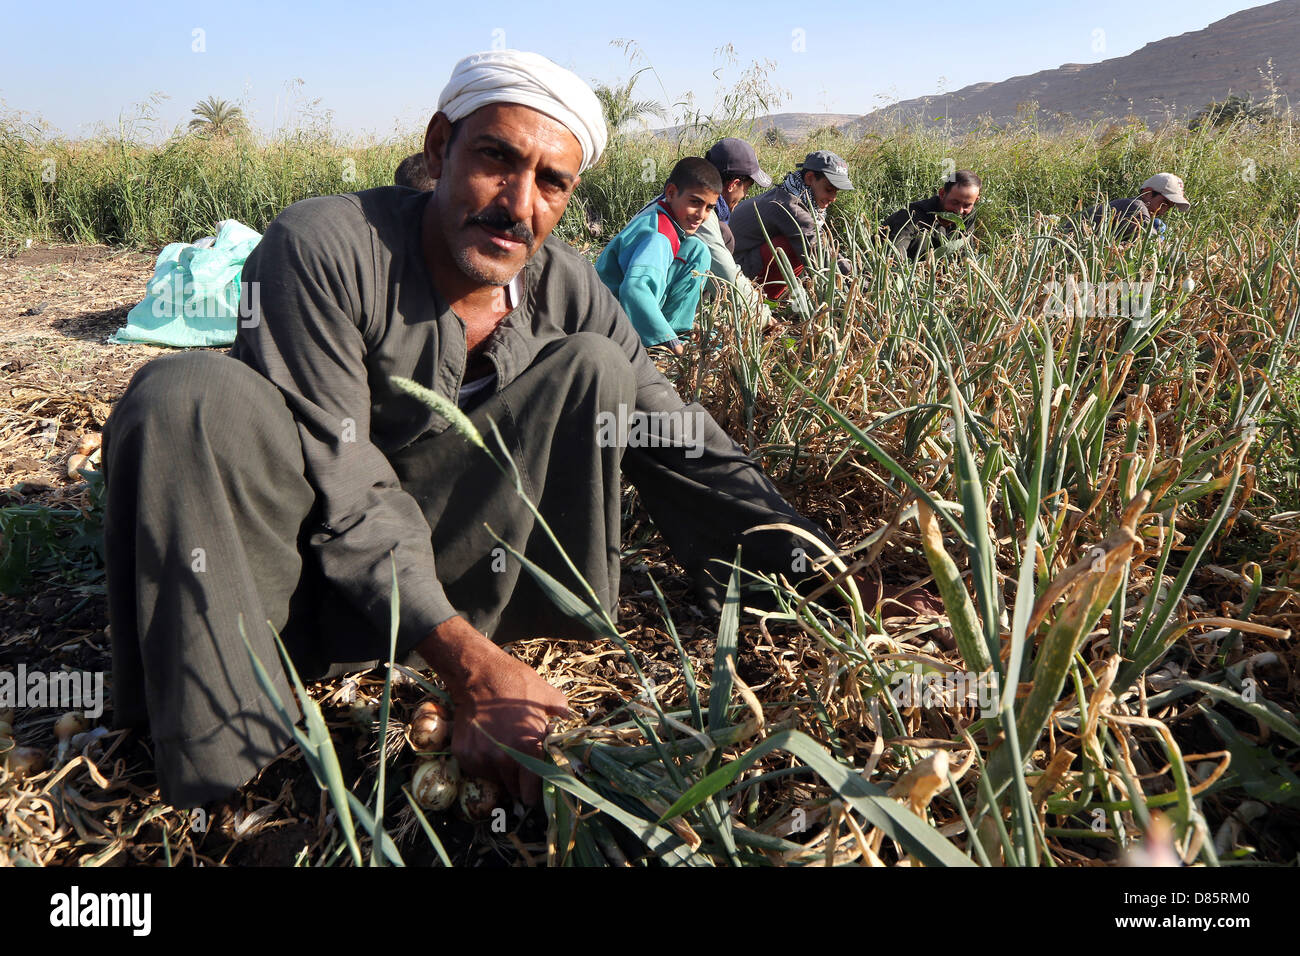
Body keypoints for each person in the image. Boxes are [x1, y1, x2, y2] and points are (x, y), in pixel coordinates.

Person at [100, 50, 839, 810]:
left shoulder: (569, 286)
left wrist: (822, 565)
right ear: (438, 146)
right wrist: (468, 668)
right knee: (185, 393)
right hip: (299, 576)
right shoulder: (323, 245)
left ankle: (480, 640)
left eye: (552, 182)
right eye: (496, 158)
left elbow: (673, 430)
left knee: (600, 369)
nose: (519, 204)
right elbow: (345, 483)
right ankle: (239, 779)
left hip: (465, 574)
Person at [632, 138, 777, 333]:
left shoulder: (681, 199)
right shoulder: (698, 218)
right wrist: (763, 318)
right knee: (712, 245)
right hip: (633, 307)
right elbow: (726, 275)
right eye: (747, 188)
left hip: (638, 291)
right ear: (734, 184)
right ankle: (669, 327)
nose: (745, 195)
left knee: (722, 236)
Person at [595, 157, 720, 354]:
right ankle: (661, 342)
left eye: (709, 207)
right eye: (695, 202)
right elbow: (635, 289)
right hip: (607, 319)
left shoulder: (670, 224)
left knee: (698, 250)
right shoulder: (657, 237)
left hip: (627, 314)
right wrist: (668, 343)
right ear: (670, 193)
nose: (701, 214)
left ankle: (677, 331)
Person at [729, 150, 854, 304]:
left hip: (743, 262)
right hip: (735, 273)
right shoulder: (790, 206)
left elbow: (821, 243)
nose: (833, 198)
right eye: (829, 189)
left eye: (836, 192)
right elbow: (818, 249)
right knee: (793, 246)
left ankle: (778, 297)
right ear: (809, 178)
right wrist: (854, 283)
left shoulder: (793, 196)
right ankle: (764, 300)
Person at [881, 170, 982, 259]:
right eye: (954, 203)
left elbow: (966, 255)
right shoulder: (912, 215)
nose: (959, 211)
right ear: (942, 194)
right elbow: (894, 258)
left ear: (976, 200)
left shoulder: (968, 215)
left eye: (967, 205)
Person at [1077, 173, 1191, 240]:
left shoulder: (1131, 205)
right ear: (1147, 193)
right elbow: (1154, 244)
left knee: (1158, 225)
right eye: (1164, 203)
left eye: (1169, 207)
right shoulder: (1135, 207)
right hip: (1069, 258)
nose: (1164, 210)